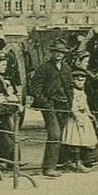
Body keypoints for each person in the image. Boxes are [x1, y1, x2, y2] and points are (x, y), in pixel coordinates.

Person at [30, 40, 73, 178]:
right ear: (52, 53)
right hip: (51, 105)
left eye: (61, 52)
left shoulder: (66, 69)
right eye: (56, 52)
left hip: (64, 105)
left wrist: (70, 102)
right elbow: (35, 88)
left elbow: (70, 87)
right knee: (54, 134)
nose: (59, 54)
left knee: (62, 133)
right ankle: (49, 167)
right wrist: (44, 102)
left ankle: (61, 161)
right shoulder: (44, 68)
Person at [62, 68, 98, 173]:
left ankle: (80, 161)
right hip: (75, 119)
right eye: (77, 80)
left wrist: (89, 113)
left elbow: (85, 104)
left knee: (84, 139)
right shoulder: (73, 92)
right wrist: (77, 116)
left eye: (82, 80)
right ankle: (76, 162)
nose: (80, 82)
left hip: (84, 117)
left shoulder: (82, 92)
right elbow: (72, 106)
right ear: (73, 80)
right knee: (75, 140)